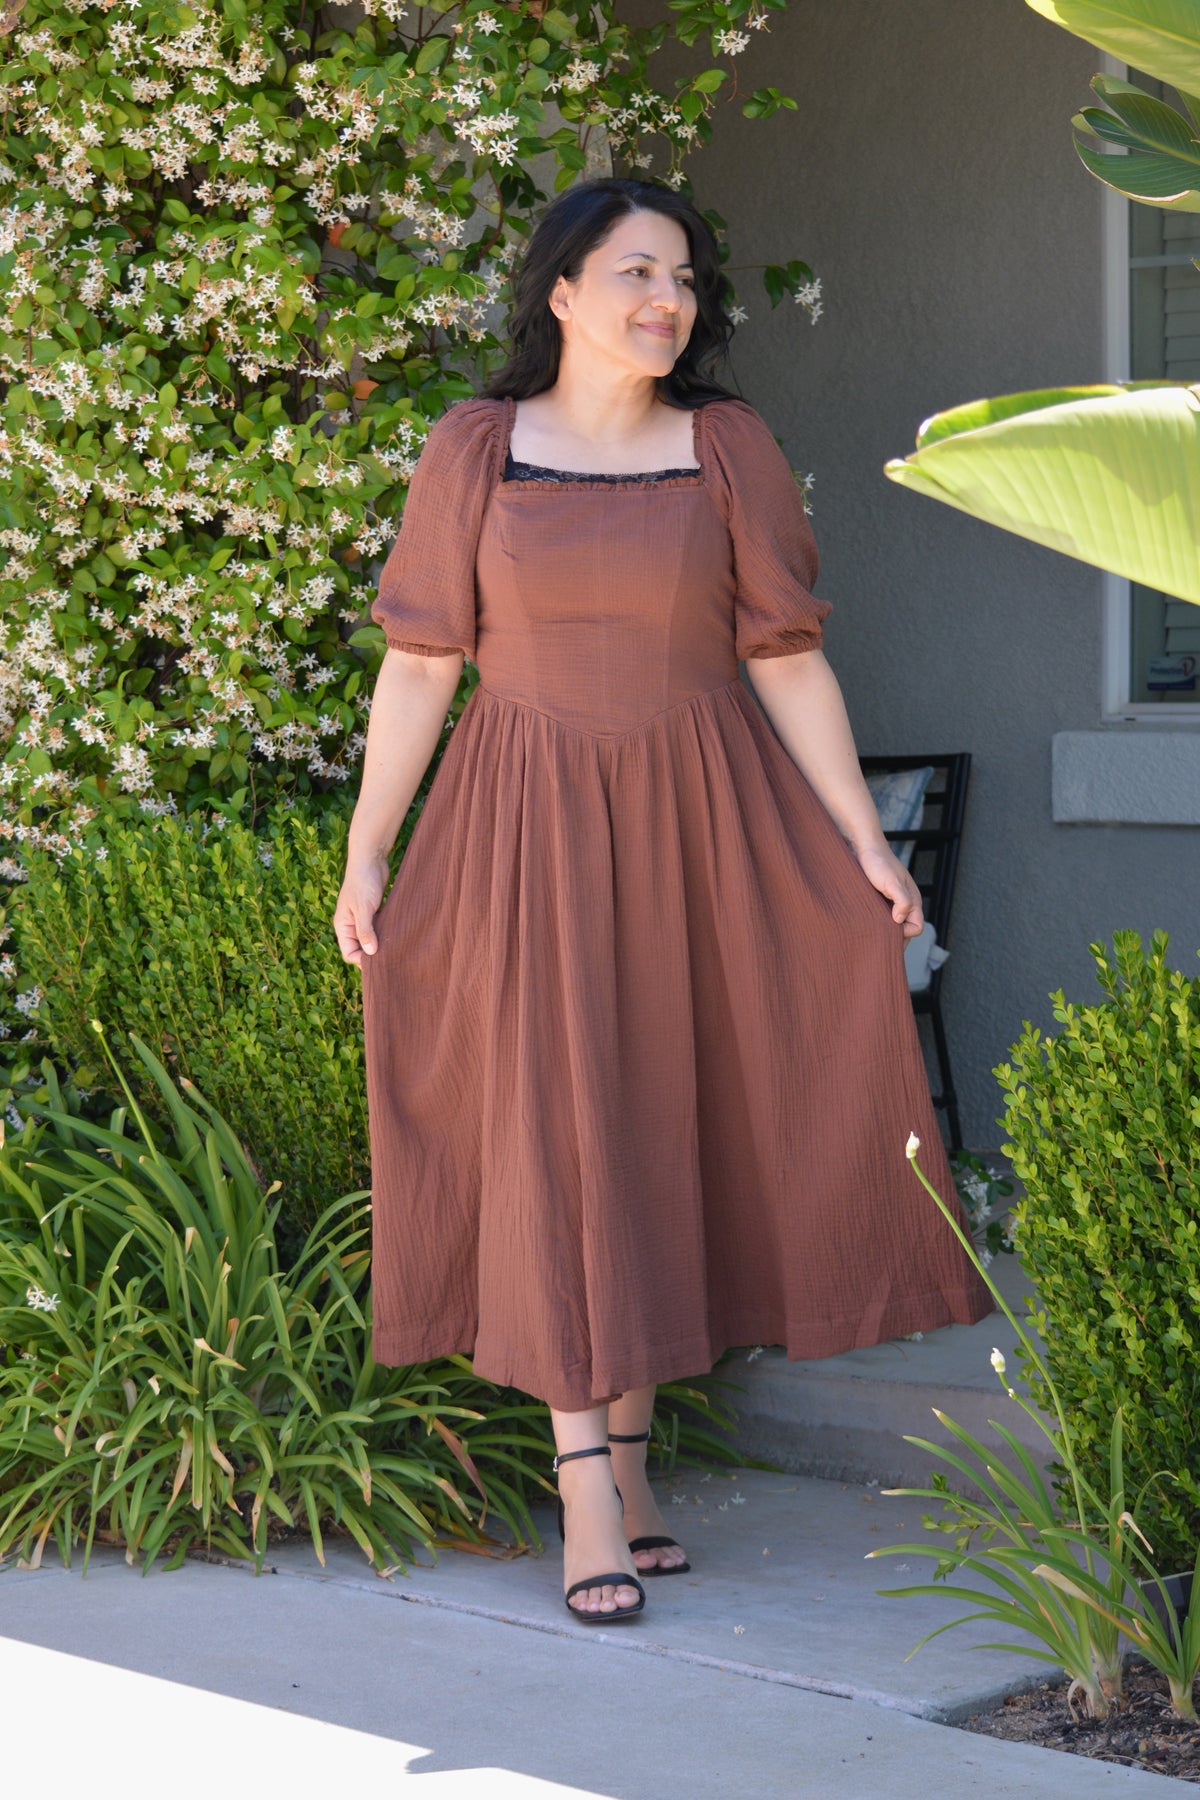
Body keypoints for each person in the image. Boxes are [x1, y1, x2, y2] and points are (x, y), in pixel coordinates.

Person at [333, 177, 991, 1627]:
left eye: (685, 277)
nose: (667, 300)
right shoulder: (475, 449)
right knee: (562, 1131)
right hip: (524, 827)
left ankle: (628, 1476)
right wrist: (371, 848)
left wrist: (864, 843)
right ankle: (586, 1492)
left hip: (702, 822)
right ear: (562, 292)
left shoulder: (726, 446)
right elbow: (423, 663)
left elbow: (784, 655)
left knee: (651, 1133)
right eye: (637, 271)